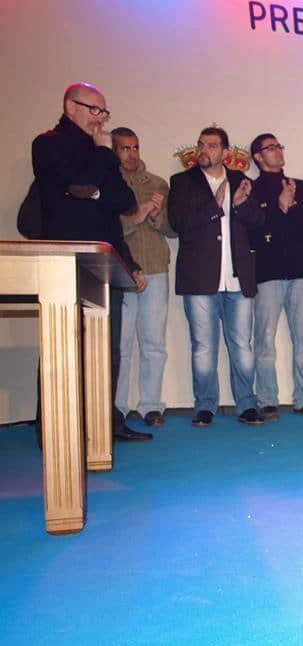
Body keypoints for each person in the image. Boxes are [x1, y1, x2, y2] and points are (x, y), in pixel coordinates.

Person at [32, 82, 150, 442]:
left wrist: (94, 191)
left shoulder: (101, 154)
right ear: (70, 107)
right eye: (93, 110)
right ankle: (55, 428)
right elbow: (74, 182)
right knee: (62, 344)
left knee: (106, 347)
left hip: (105, 260)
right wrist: (100, 163)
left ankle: (104, 423)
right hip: (65, 257)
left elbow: (123, 200)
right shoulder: (49, 143)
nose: (100, 118)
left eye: (104, 112)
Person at [168, 127, 265, 426]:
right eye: (200, 144)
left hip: (237, 280)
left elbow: (259, 223)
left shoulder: (241, 181)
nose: (203, 150)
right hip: (200, 280)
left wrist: (240, 205)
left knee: (242, 347)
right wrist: (215, 204)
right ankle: (205, 406)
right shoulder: (182, 182)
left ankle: (247, 404)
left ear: (225, 152)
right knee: (203, 347)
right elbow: (178, 223)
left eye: (211, 145)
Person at [248, 133, 303, 420]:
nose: (278, 152)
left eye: (279, 146)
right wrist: (279, 206)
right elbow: (252, 228)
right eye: (271, 148)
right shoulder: (252, 189)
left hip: (299, 270)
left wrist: (291, 205)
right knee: (265, 339)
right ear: (258, 156)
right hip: (267, 272)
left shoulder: (302, 188)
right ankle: (267, 399)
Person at [112, 127, 175, 428]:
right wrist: (136, 217)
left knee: (153, 344)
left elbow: (173, 229)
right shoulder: (108, 185)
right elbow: (106, 230)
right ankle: (117, 407)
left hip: (155, 270)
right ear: (113, 151)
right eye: (125, 148)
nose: (132, 154)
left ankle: (151, 405)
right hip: (120, 272)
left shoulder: (157, 183)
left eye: (135, 147)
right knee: (120, 346)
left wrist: (156, 216)